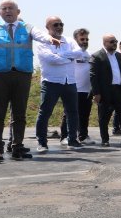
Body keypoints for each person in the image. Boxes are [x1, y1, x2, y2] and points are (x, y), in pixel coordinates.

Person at [0, 0, 59, 160]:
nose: (8, 11)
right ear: (0, 12)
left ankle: (17, 147)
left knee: (19, 113)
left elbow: (39, 35)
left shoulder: (28, 28)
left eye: (11, 8)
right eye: (4, 8)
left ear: (18, 12)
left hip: (22, 75)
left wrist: (49, 39)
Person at [33, 16, 85, 152]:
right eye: (55, 24)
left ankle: (72, 140)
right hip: (51, 82)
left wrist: (62, 55)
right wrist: (69, 57)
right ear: (47, 27)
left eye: (61, 24)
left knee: (73, 112)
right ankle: (42, 143)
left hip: (70, 81)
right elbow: (51, 59)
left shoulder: (69, 40)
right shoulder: (42, 42)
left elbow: (80, 53)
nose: (59, 27)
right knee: (45, 113)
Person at [90, 34, 121, 146]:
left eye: (115, 41)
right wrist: (96, 93)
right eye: (112, 41)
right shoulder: (97, 56)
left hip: (118, 90)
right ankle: (105, 140)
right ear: (105, 43)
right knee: (104, 116)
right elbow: (93, 76)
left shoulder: (118, 56)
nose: (114, 44)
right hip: (104, 91)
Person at [62, 28, 95, 145]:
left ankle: (83, 136)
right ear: (75, 40)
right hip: (73, 88)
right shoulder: (71, 53)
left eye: (87, 39)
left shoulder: (89, 54)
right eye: (82, 39)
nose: (85, 41)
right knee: (69, 114)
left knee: (84, 114)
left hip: (86, 90)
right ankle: (64, 137)